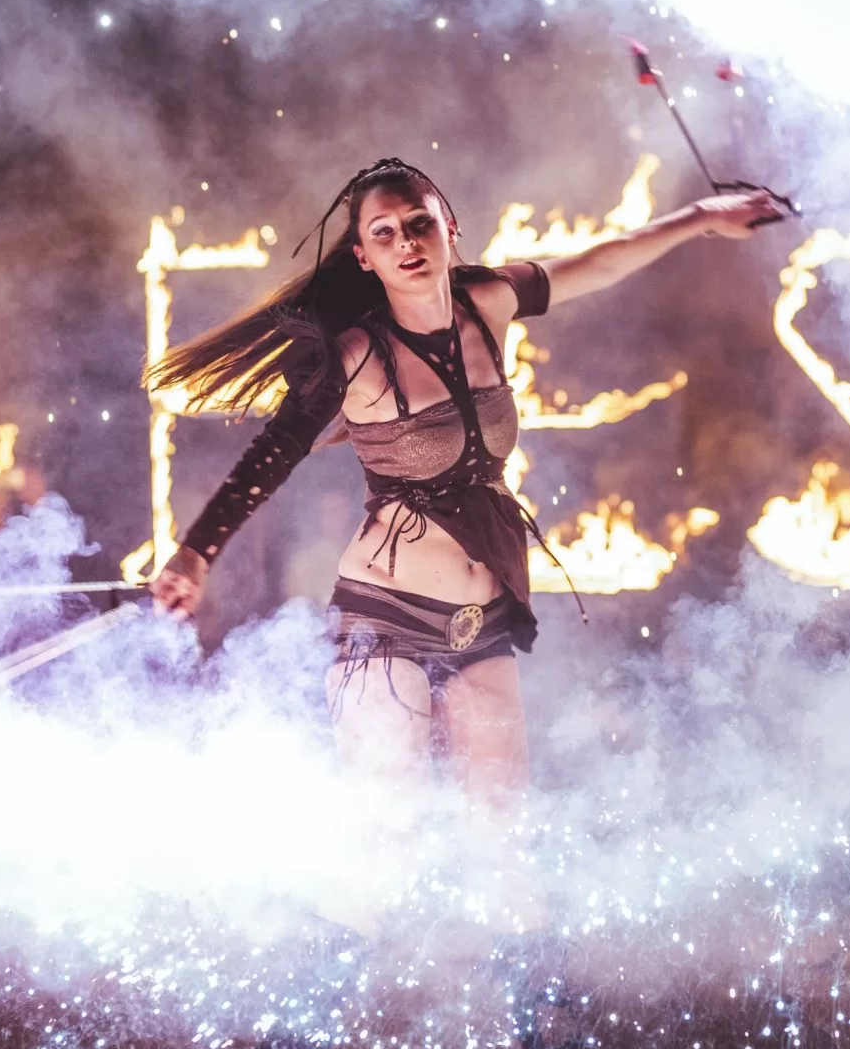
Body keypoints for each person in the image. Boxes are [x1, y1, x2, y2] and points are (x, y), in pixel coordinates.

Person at [146, 158, 775, 925]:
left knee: (506, 858)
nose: (407, 242)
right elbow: (269, 456)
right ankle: (284, 990)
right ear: (363, 257)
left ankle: (528, 1007)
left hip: (482, 624)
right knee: (383, 856)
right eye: (385, 234)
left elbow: (601, 262)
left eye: (418, 223)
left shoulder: (488, 301)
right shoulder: (353, 354)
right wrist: (196, 551)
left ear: (449, 226)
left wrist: (702, 218)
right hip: (386, 622)